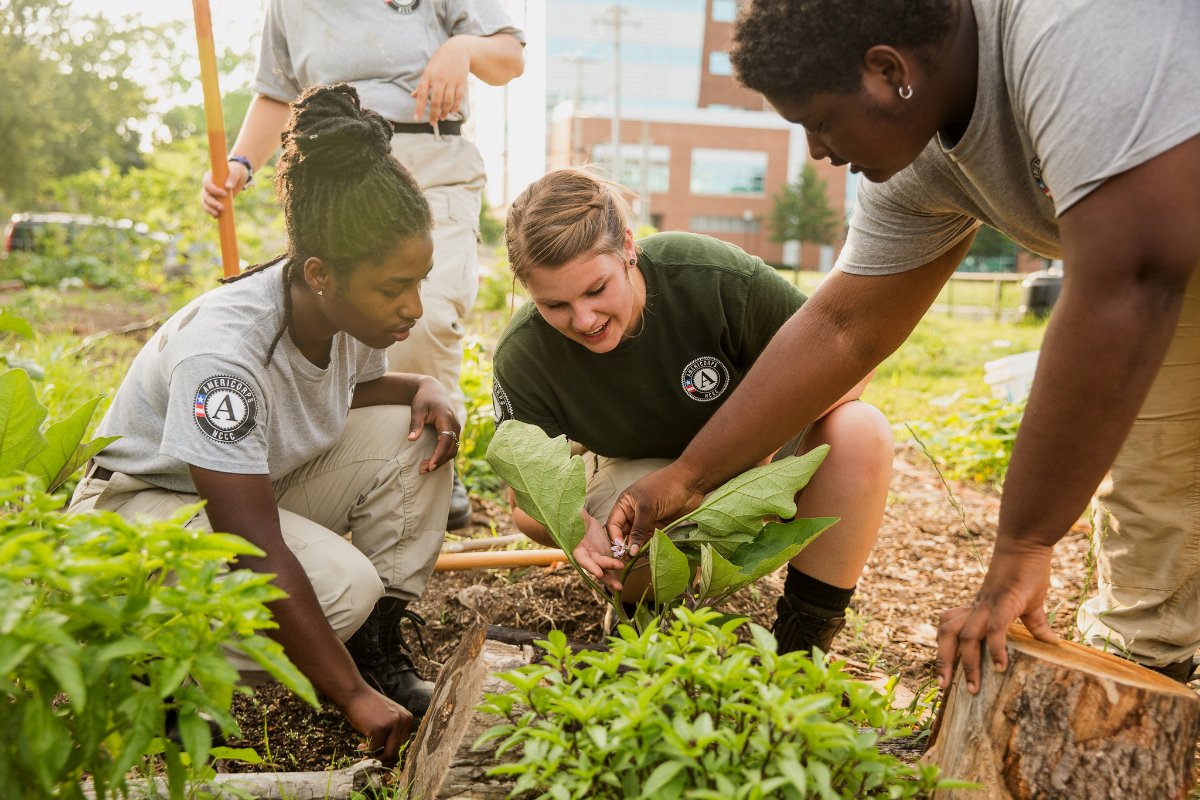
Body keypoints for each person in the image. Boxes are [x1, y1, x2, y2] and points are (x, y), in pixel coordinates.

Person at [605, 0, 1200, 693]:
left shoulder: (1074, 28)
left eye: (820, 121)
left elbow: (1126, 278)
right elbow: (845, 328)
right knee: (1154, 470)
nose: (818, 152)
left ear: (889, 71)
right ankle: (1147, 669)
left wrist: (1023, 547)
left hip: (1152, 245)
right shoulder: (918, 160)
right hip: (1165, 248)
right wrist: (689, 477)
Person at [72, 84, 457, 764]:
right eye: (395, 288)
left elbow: (356, 389)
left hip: (230, 490)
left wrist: (422, 384)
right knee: (342, 588)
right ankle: (155, 669)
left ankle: (375, 655)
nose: (412, 307)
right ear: (321, 274)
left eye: (418, 282)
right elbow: (253, 549)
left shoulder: (343, 312)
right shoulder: (226, 356)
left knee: (414, 428)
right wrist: (347, 701)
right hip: (134, 513)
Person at [491, 169, 894, 656]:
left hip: (755, 454)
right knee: (630, 545)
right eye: (555, 304)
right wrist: (577, 528)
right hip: (640, 478)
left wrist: (737, 462)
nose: (583, 320)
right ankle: (643, 619)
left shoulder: (706, 275)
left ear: (628, 249)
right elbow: (522, 497)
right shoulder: (524, 355)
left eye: (597, 290)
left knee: (860, 431)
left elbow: (847, 365)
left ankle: (802, 646)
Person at [200, 0, 525, 530]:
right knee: (338, 315)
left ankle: (436, 449)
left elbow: (509, 59)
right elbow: (276, 93)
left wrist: (462, 48)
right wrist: (240, 163)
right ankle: (348, 460)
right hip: (336, 179)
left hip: (432, 163)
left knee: (428, 313)